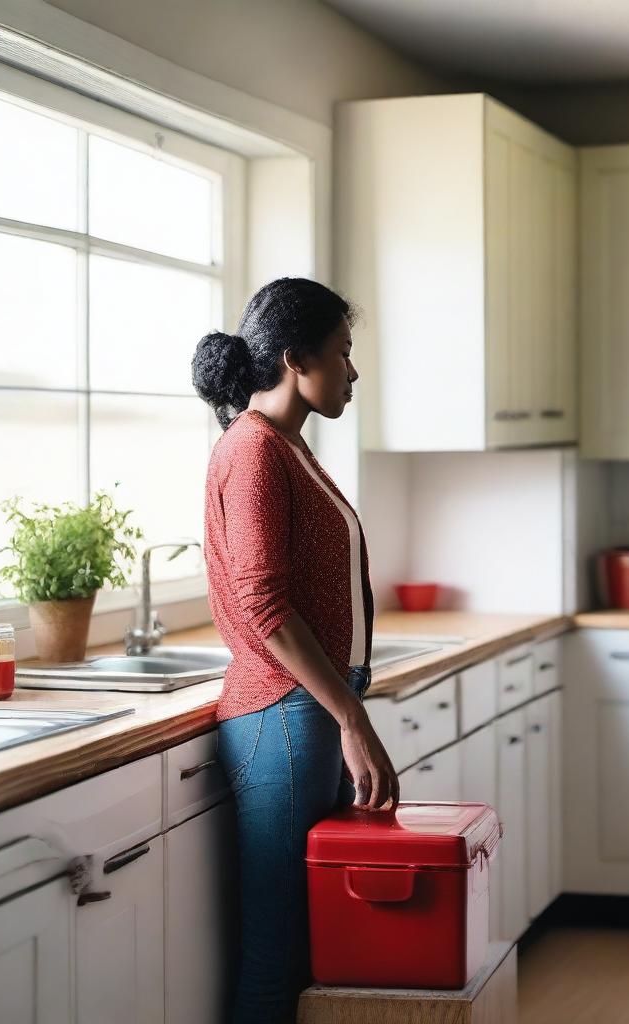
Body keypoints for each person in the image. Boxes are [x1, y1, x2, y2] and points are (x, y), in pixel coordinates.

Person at [192, 277, 400, 1023]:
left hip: (304, 710)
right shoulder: (253, 452)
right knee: (276, 945)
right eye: (342, 354)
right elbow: (264, 605)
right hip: (284, 715)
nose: (352, 371)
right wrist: (351, 718)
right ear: (293, 358)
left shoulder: (283, 446)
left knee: (305, 937)